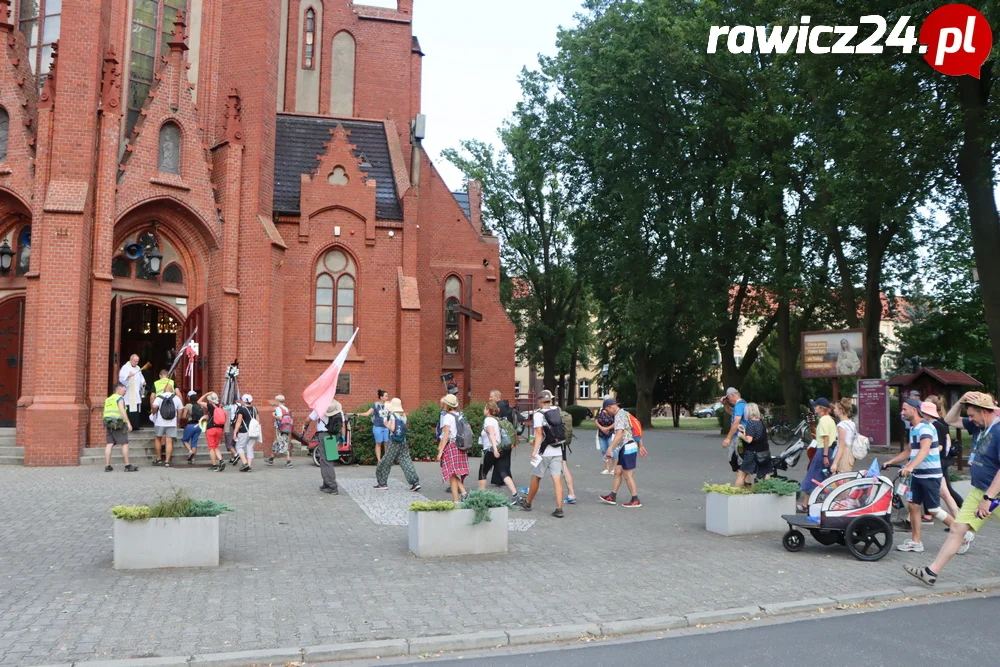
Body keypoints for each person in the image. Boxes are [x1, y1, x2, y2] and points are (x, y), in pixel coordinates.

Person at [903, 392, 996, 585]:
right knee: (957, 530)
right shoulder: (980, 425)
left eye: (972, 415)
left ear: (986, 412)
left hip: (992, 493)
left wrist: (988, 498)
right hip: (980, 490)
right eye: (968, 415)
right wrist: (962, 401)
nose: (970, 419)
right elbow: (949, 419)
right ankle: (931, 572)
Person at [885, 398, 955, 552]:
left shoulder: (926, 428)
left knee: (935, 509)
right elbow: (910, 450)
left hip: (930, 475)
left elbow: (924, 450)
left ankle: (961, 533)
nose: (902, 412)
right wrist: (891, 462)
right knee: (913, 506)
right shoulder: (914, 429)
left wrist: (909, 466)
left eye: (904, 409)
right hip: (917, 475)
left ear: (914, 410)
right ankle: (916, 542)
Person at [599, 397, 648, 508]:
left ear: (610, 407)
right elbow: (635, 429)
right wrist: (641, 445)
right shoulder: (625, 413)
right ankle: (612, 496)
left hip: (627, 447)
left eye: (607, 411)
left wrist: (610, 448)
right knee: (617, 471)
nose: (607, 413)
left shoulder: (619, 416)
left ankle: (635, 499)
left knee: (627, 474)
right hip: (627, 447)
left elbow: (619, 434)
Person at [925, 396, 962, 518]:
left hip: (939, 460)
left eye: (927, 404)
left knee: (944, 491)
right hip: (941, 460)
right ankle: (929, 514)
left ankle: (960, 512)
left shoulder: (938, 424)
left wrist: (924, 451)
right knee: (944, 490)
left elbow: (941, 445)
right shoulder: (937, 423)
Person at [374, 398, 421, 491]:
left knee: (386, 461)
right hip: (403, 440)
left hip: (394, 441)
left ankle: (382, 483)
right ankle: (415, 482)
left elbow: (393, 428)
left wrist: (386, 424)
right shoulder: (403, 415)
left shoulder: (393, 415)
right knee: (406, 460)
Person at [798, 398, 837, 509]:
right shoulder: (830, 419)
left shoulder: (824, 420)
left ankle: (806, 504)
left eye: (815, 406)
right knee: (824, 477)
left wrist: (824, 455)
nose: (814, 408)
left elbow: (826, 438)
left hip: (822, 451)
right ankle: (820, 503)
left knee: (813, 475)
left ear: (821, 408)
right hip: (829, 450)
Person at [477, 400, 518, 502]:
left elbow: (492, 434)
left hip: (491, 450)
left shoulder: (488, 420)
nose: (483, 410)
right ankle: (515, 494)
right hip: (501, 449)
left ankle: (481, 497)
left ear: (488, 410)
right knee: (503, 472)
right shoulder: (496, 420)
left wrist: (494, 449)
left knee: (483, 471)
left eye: (484, 408)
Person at [437, 394, 469, 502]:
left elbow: (445, 435)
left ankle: (463, 492)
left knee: (451, 471)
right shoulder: (459, 414)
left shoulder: (447, 417)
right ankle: (456, 500)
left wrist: (440, 451)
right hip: (461, 446)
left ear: (447, 405)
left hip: (452, 446)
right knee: (453, 473)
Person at [734, 402, 772, 487]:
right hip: (764, 452)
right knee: (765, 474)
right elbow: (757, 435)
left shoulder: (751, 422)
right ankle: (768, 492)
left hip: (753, 453)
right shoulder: (761, 421)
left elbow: (749, 440)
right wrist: (744, 430)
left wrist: (741, 435)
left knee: (741, 474)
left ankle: (734, 495)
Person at [309, 401, 343, 494]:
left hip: (324, 435)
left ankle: (332, 485)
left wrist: (305, 425)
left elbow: (309, 418)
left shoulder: (320, 406)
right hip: (334, 435)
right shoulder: (337, 407)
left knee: (325, 460)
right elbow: (342, 423)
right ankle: (326, 483)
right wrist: (342, 438)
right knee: (329, 458)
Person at [103, 382, 137, 472]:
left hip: (108, 423)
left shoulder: (108, 399)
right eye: (124, 390)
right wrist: (128, 423)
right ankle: (127, 465)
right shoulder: (119, 398)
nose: (125, 392)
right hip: (118, 423)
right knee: (124, 443)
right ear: (119, 390)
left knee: (109, 444)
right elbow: (122, 411)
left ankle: (107, 466)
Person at [151, 385, 183, 467]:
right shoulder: (176, 398)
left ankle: (158, 459)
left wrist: (154, 411)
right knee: (169, 441)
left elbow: (154, 407)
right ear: (172, 390)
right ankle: (167, 461)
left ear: (164, 390)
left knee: (158, 439)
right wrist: (178, 421)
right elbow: (180, 410)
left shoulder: (159, 397)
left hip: (159, 422)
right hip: (172, 423)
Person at [359, 390, 390, 464]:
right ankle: (379, 460)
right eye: (385, 396)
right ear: (381, 397)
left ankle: (386, 459)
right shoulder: (375, 405)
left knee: (386, 443)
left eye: (387, 396)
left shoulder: (388, 405)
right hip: (378, 427)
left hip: (386, 426)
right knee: (378, 443)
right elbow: (367, 413)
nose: (387, 397)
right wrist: (359, 414)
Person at [199, 391, 226, 471]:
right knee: (216, 446)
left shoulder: (210, 406)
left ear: (210, 400)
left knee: (211, 447)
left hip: (211, 428)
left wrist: (206, 394)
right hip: (220, 428)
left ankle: (214, 465)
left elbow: (199, 401)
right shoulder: (221, 407)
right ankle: (221, 460)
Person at [231, 394, 259, 472]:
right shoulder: (254, 409)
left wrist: (235, 432)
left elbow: (239, 421)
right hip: (253, 432)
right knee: (250, 447)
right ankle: (249, 466)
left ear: (243, 401)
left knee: (239, 447)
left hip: (244, 430)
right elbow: (257, 421)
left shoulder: (241, 409)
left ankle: (245, 463)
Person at [721, 388, 746, 472]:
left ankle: (744, 483)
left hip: (740, 438)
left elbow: (736, 422)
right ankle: (744, 482)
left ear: (733, 395)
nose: (729, 400)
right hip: (738, 437)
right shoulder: (739, 405)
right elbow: (731, 412)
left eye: (728, 398)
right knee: (733, 459)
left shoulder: (740, 405)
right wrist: (725, 405)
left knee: (740, 462)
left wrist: (728, 438)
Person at [118, 354, 146, 431]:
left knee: (136, 409)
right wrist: (128, 376)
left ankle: (135, 425)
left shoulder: (138, 368)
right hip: (129, 393)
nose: (136, 363)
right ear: (131, 360)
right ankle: (129, 425)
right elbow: (121, 378)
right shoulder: (125, 367)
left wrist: (143, 382)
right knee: (129, 409)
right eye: (135, 361)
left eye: (137, 361)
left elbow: (140, 377)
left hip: (136, 392)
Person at [830, 398, 858, 475]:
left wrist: (834, 463)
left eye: (835, 408)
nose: (834, 410)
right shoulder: (851, 423)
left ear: (841, 410)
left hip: (844, 454)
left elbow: (841, 446)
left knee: (842, 481)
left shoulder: (841, 425)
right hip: (850, 453)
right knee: (845, 480)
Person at [267, 394, 294, 468]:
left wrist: (274, 415)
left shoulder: (278, 408)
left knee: (283, 444)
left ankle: (288, 462)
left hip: (280, 428)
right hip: (287, 428)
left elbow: (280, 418)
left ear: (278, 401)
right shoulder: (286, 408)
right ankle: (271, 459)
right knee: (276, 443)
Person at [181, 390, 203, 464]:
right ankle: (193, 459)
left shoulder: (188, 405)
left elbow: (184, 416)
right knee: (194, 443)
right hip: (198, 426)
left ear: (189, 397)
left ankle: (190, 451)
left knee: (185, 440)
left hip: (190, 425)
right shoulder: (200, 405)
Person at [595, 398, 616, 474]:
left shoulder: (612, 411)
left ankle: (614, 468)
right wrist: (601, 428)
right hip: (601, 434)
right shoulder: (600, 410)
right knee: (604, 450)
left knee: (613, 450)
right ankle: (607, 468)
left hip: (611, 433)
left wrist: (607, 428)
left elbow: (616, 422)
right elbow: (596, 420)